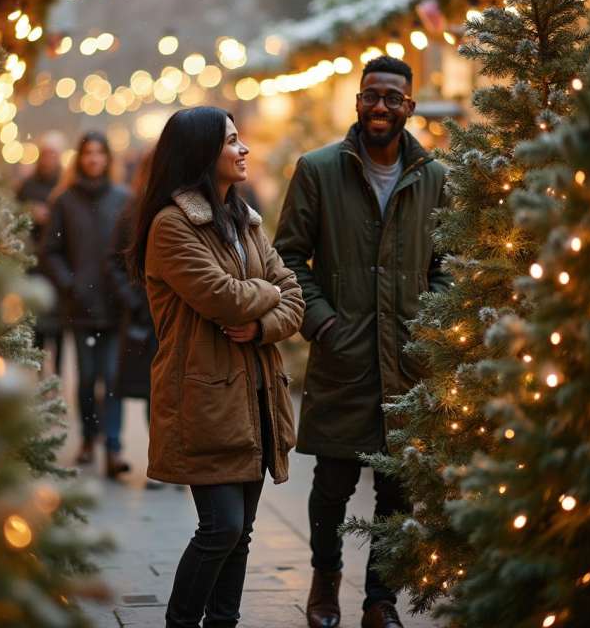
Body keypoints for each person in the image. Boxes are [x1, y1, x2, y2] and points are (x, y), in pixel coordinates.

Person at [274, 56, 451, 628]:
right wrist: (322, 321)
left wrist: (432, 322)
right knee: (331, 486)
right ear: (358, 100)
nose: (380, 106)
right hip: (344, 354)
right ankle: (324, 584)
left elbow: (449, 262)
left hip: (409, 358)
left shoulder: (435, 176)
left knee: (397, 491)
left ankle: (381, 601)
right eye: (371, 95)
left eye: (392, 98)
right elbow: (288, 256)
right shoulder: (319, 169)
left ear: (409, 107)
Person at [128, 106, 304, 628]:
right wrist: (265, 293)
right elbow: (222, 298)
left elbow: (293, 299)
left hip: (254, 395)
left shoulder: (244, 219)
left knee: (242, 531)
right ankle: (182, 621)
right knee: (221, 528)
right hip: (203, 399)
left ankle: (222, 622)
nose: (244, 148)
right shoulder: (171, 225)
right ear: (203, 153)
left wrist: (262, 324)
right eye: (231, 141)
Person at [41, 130, 131, 478]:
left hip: (115, 305)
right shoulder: (65, 200)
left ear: (108, 158)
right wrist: (69, 284)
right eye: (88, 153)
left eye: (100, 153)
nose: (94, 159)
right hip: (80, 306)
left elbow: (132, 249)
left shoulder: (123, 199)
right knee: (86, 377)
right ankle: (88, 439)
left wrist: (129, 290)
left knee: (112, 377)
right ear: (79, 158)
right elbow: (50, 250)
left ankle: (113, 446)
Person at [106, 151, 163, 489]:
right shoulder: (134, 209)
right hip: (143, 318)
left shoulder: (181, 208)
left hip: (171, 317)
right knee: (146, 389)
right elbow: (114, 260)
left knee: (165, 393)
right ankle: (151, 460)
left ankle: (163, 461)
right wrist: (133, 299)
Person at [16, 130, 65, 373]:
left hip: (58, 262)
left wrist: (53, 217)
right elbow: (15, 215)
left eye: (53, 154)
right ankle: (37, 373)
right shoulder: (27, 185)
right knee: (36, 323)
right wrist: (30, 212)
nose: (49, 159)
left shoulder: (65, 184)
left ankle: (55, 373)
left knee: (58, 328)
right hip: (34, 262)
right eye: (46, 154)